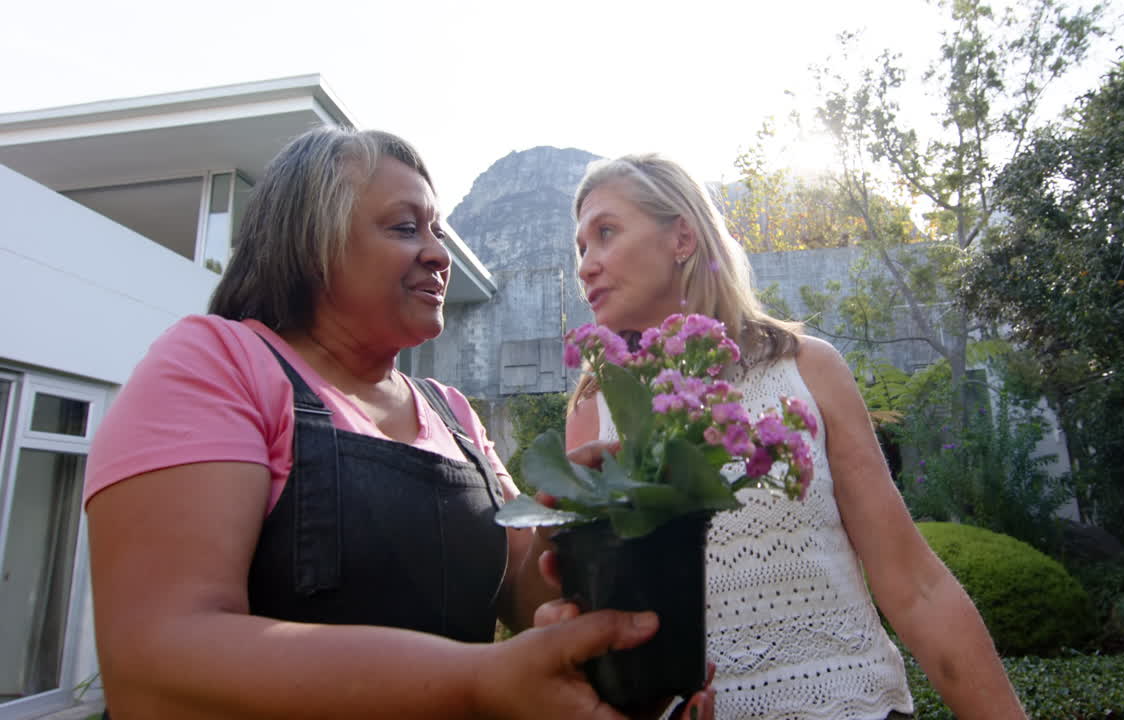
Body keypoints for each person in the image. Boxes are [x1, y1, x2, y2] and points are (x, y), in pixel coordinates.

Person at [84, 127, 711, 719]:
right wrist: (475, 684)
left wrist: (573, 525)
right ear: (313, 240)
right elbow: (154, 667)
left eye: (436, 230)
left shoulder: (452, 412)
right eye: (406, 228)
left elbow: (526, 595)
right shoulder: (218, 363)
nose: (439, 254)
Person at [564, 153, 1028, 720]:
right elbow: (595, 622)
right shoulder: (594, 411)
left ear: (681, 236)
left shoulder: (805, 368)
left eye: (606, 232)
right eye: (581, 247)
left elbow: (913, 584)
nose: (586, 264)